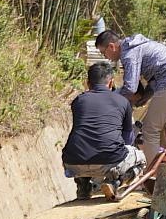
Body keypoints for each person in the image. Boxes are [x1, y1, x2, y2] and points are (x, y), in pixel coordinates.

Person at [95, 30, 166, 167]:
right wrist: (146, 96)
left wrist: (110, 99)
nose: (105, 57)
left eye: (103, 52)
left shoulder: (129, 53)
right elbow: (153, 77)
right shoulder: (140, 45)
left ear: (112, 46)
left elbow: (130, 87)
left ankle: (151, 173)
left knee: (150, 130)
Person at [62, 62, 147, 200]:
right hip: (109, 161)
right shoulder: (123, 102)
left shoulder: (78, 101)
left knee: (85, 144)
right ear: (111, 82)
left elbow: (83, 130)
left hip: (72, 162)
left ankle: (83, 186)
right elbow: (127, 140)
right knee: (141, 159)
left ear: (87, 83)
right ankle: (114, 183)